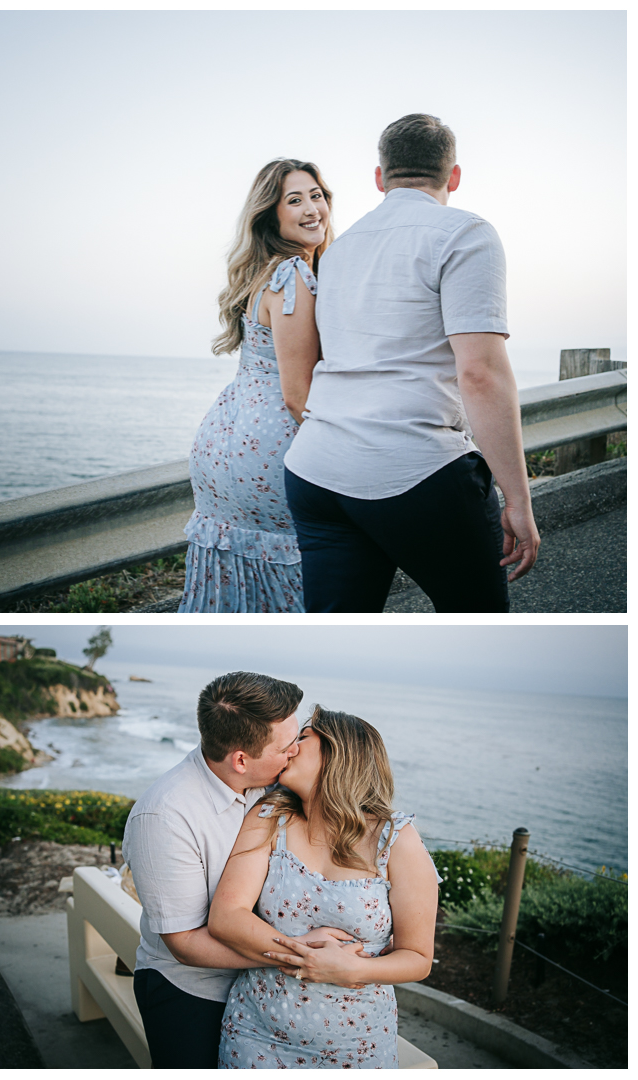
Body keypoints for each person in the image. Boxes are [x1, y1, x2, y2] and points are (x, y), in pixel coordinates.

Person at [283, 114, 541, 613]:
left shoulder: (337, 252)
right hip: (413, 468)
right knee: (477, 619)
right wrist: (519, 500)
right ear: (454, 176)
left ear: (380, 178)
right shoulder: (465, 232)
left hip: (315, 471)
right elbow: (480, 373)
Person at [122, 672, 362, 1070]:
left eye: (299, 737)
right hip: (193, 996)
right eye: (287, 746)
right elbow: (184, 942)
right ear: (241, 760)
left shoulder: (272, 785)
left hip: (265, 995)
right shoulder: (164, 817)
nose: (295, 752)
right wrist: (298, 955)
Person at [209, 706, 440, 1069]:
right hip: (255, 1035)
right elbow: (226, 916)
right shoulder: (270, 818)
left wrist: (353, 971)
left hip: (357, 1049)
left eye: (302, 737)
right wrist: (304, 952)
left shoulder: (397, 840)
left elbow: (417, 958)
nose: (290, 746)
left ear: (338, 752)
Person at [178, 159, 335, 613]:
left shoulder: (260, 273)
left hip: (221, 451)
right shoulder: (293, 276)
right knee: (293, 593)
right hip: (270, 457)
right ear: (271, 215)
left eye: (317, 195)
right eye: (294, 200)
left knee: (231, 593)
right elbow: (297, 396)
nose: (312, 209)